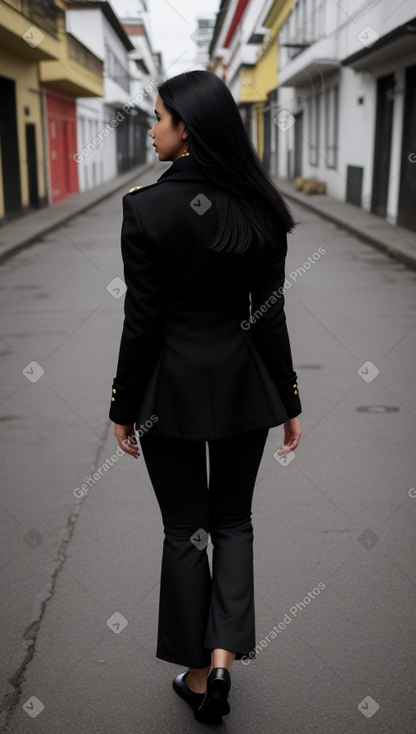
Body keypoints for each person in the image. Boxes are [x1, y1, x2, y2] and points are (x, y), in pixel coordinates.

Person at [109, 70, 302, 724]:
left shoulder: (145, 208)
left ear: (185, 128)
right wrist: (289, 398)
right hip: (246, 389)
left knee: (185, 531)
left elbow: (142, 322)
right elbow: (269, 315)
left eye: (158, 116)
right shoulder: (257, 206)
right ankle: (222, 657)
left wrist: (121, 406)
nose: (151, 126)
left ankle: (195, 675)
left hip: (171, 394)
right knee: (234, 523)